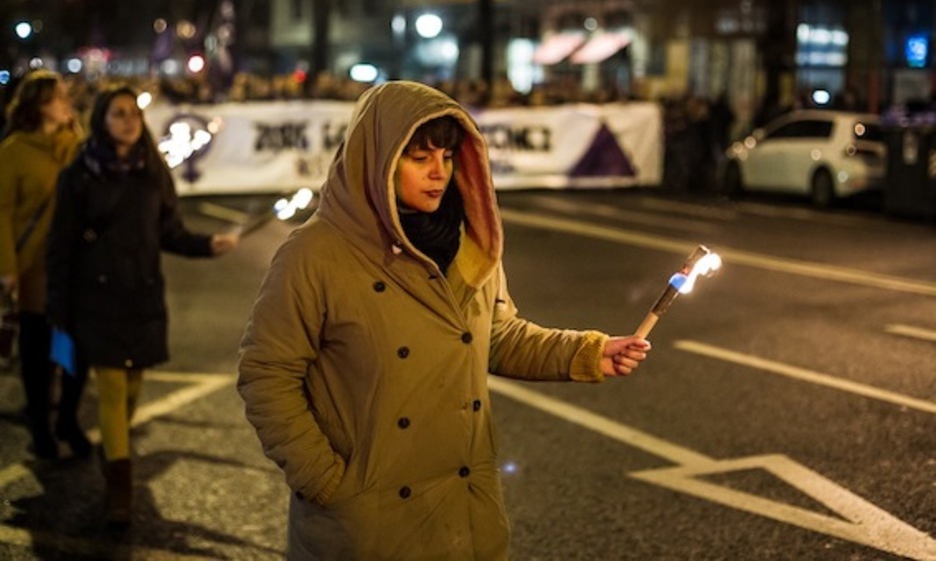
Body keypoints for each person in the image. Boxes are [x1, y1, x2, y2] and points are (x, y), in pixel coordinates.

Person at [237, 80, 651, 560]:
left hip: (462, 510)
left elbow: (497, 335)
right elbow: (266, 374)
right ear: (379, 159)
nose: (438, 173)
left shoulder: (470, 242)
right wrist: (325, 480)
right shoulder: (316, 253)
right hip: (367, 523)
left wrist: (587, 352)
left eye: (448, 157)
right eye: (419, 158)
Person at [45, 86, 239, 526]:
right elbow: (60, 246)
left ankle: (114, 453)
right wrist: (58, 305)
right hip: (96, 298)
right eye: (119, 114)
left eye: (134, 114)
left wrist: (208, 245)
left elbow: (170, 231)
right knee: (112, 390)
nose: (129, 121)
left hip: (142, 296)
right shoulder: (79, 174)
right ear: (101, 120)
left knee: (132, 388)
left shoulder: (152, 171)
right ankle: (120, 488)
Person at [0, 70, 89, 461]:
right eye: (58, 96)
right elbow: (0, 213)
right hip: (33, 265)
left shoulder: (78, 145)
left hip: (73, 267)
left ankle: (66, 416)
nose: (66, 101)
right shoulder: (14, 151)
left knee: (76, 348)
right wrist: (8, 267)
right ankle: (41, 429)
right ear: (37, 104)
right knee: (36, 352)